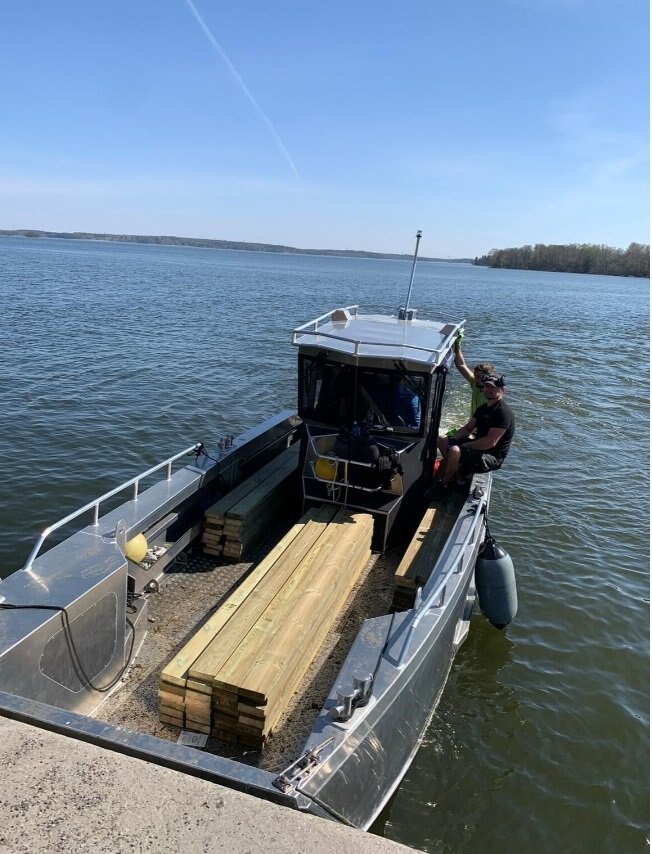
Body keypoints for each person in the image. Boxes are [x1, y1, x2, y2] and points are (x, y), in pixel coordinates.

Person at [434, 374, 515, 492]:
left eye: (493, 387)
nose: (489, 390)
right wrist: (452, 440)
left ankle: (446, 483)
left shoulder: (503, 413)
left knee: (455, 450)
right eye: (487, 386)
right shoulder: (482, 409)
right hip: (477, 446)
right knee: (442, 439)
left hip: (491, 456)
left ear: (502, 390)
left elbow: (489, 442)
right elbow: (467, 429)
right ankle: (454, 468)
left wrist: (462, 446)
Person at [453, 333, 494, 417]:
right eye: (475, 376)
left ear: (487, 378)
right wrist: (457, 344)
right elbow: (461, 365)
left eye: (478, 377)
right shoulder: (474, 382)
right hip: (473, 422)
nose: (475, 379)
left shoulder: (492, 394)